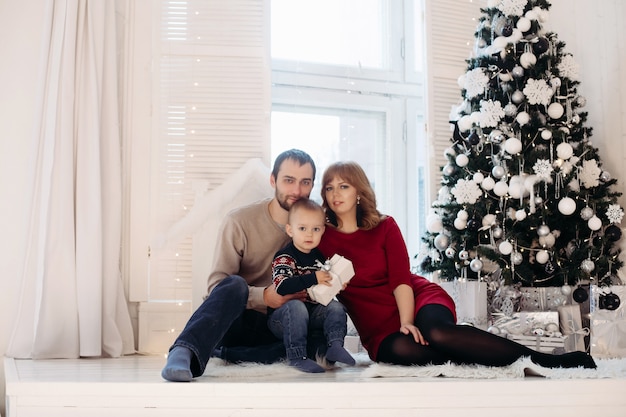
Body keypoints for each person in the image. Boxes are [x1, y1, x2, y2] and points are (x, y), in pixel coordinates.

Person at [317, 161, 597, 369]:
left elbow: (401, 280)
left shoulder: (385, 226)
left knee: (438, 334)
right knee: (408, 352)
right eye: (329, 187)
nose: (335, 193)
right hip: (377, 327)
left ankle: (544, 361)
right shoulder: (320, 237)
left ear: (359, 192)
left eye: (343, 186)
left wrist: (407, 322)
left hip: (416, 299)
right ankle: (475, 350)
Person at [161, 149, 320, 382]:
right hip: (239, 321)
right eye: (288, 180)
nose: (297, 190)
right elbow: (217, 287)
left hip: (282, 326)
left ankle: (227, 354)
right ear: (273, 180)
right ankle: (183, 350)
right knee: (234, 284)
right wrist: (264, 297)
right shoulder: (240, 221)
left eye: (305, 182)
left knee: (318, 340)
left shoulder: (316, 227)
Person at [268, 198, 355, 373]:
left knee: (336, 306)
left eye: (315, 229)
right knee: (297, 307)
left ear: (322, 230)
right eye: (302, 228)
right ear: (290, 230)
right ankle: (296, 356)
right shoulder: (284, 256)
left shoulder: (319, 257)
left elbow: (321, 289)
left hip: (311, 314)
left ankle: (335, 345)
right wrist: (314, 277)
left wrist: (335, 283)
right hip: (283, 318)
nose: (309, 234)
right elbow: (282, 286)